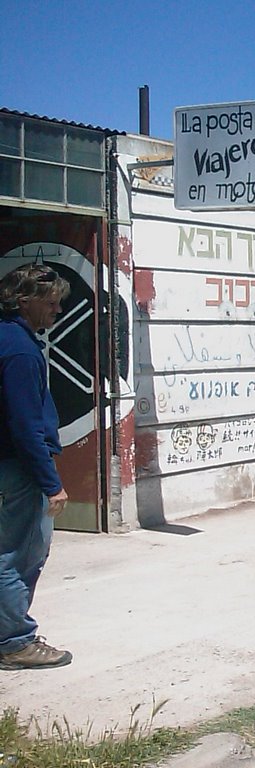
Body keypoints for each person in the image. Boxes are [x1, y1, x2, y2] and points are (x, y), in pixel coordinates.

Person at [0, 264, 72, 671]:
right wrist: (51, 483)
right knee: (20, 554)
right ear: (24, 301)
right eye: (52, 301)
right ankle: (14, 642)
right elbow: (25, 425)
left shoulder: (8, 338)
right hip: (20, 468)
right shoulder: (21, 351)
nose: (58, 309)